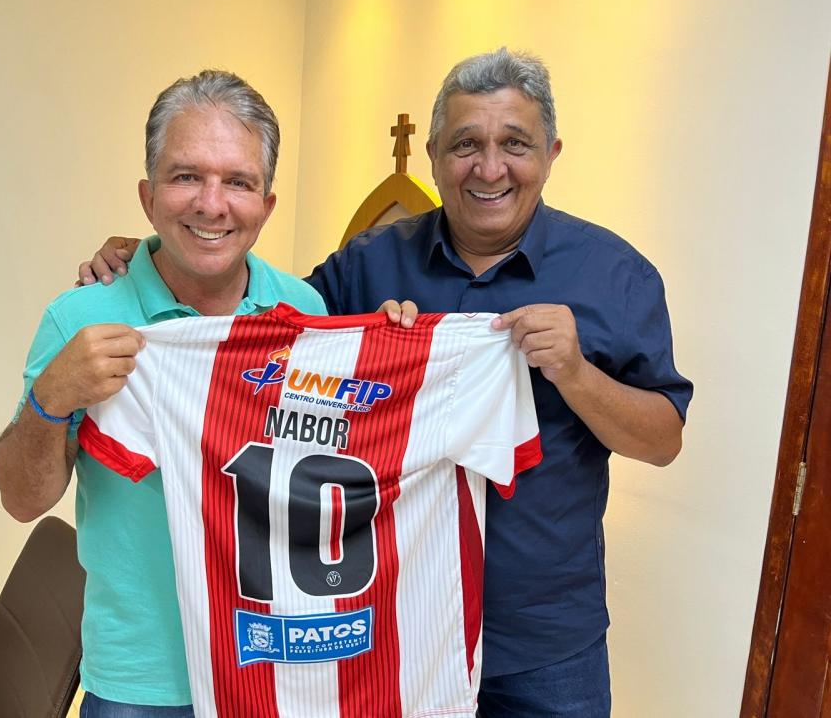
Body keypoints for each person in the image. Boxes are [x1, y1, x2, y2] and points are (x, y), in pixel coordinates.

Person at [81, 47, 693, 718]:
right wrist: (156, 255)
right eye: (465, 144)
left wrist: (575, 373)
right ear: (432, 155)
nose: (489, 167)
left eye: (514, 144)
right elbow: (252, 330)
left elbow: (662, 439)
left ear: (551, 153)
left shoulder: (615, 275)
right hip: (398, 635)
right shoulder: (369, 265)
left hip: (542, 642)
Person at [0, 70, 327, 717]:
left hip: (278, 662)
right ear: (148, 197)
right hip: (141, 685)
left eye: (238, 182)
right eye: (186, 176)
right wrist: (51, 398)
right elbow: (21, 500)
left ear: (267, 205)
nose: (211, 204)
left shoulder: (307, 312)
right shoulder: (79, 318)